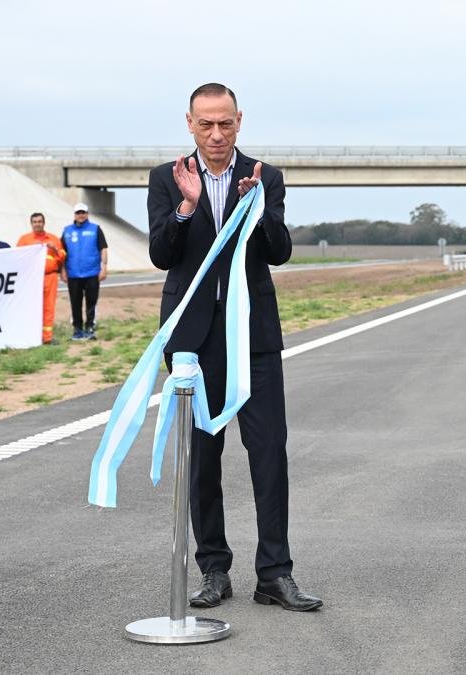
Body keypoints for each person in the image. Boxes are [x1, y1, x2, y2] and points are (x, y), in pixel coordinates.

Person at [146, 82, 321, 612]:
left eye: (225, 123)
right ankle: (213, 570)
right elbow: (161, 255)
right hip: (194, 341)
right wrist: (185, 208)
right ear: (190, 124)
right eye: (206, 124)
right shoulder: (167, 177)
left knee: (269, 453)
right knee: (203, 459)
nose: (217, 134)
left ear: (239, 121)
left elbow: (280, 251)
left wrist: (257, 208)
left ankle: (275, 573)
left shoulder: (265, 176)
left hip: (253, 336)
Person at [16, 212, 66, 344]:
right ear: (31, 224)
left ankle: (47, 338)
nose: (37, 224)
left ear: (44, 223)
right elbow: (18, 258)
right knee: (32, 306)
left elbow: (62, 256)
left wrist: (54, 249)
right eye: (35, 222)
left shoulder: (53, 238)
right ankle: (32, 336)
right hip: (32, 279)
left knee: (49, 307)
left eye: (39, 221)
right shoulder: (24, 240)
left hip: (50, 277)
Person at [61, 203, 108, 340]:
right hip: (73, 274)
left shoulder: (95, 229)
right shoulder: (67, 231)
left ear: (87, 214)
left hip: (92, 273)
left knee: (91, 302)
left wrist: (104, 268)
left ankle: (90, 328)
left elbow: (103, 249)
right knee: (75, 303)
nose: (81, 215)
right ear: (75, 215)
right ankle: (77, 329)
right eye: (78, 213)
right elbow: (62, 253)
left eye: (83, 212)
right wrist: (62, 270)